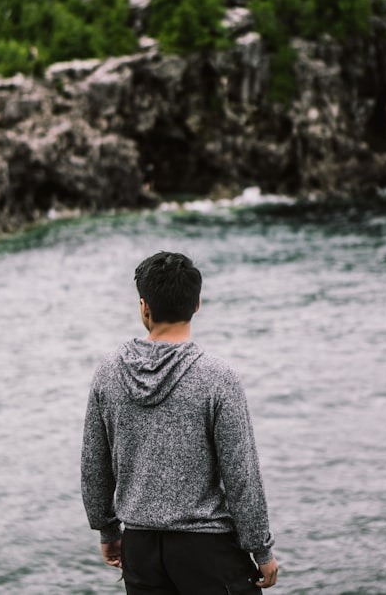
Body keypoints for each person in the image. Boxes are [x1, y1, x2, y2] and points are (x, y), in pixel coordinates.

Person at [81, 251, 278, 594]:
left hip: (140, 548)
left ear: (144, 306)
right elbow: (241, 473)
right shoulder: (217, 377)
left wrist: (108, 530)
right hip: (208, 551)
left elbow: (94, 464)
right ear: (197, 304)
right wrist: (260, 548)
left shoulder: (108, 372)